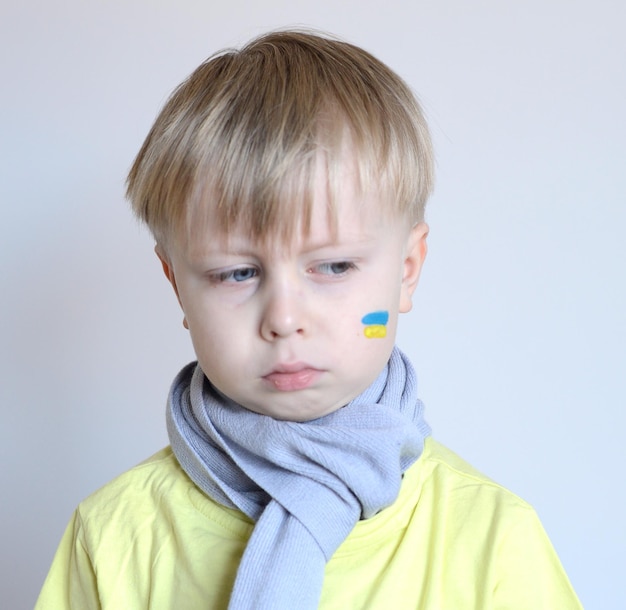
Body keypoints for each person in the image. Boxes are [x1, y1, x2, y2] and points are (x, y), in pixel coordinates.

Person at [35, 30, 582, 609]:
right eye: (236, 274)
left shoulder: (493, 540)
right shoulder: (113, 536)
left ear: (406, 270)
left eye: (334, 266)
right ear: (176, 285)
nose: (285, 318)